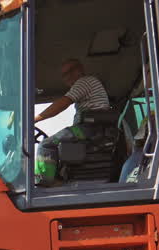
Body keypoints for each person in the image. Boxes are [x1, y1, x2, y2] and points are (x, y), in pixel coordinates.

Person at [33, 58, 112, 187]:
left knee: (46, 145)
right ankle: (61, 178)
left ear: (80, 70)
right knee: (58, 148)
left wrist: (35, 119)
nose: (68, 77)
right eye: (65, 75)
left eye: (71, 71)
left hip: (91, 128)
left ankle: (45, 182)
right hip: (93, 128)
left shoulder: (85, 81)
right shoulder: (88, 84)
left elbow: (62, 104)